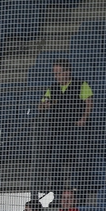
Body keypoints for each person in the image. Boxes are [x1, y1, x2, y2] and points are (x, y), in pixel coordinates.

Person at [37, 58, 93, 191]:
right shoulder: (52, 88)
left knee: (79, 161)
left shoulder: (81, 84)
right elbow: (40, 106)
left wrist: (83, 118)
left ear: (68, 72)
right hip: (58, 131)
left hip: (76, 130)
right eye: (55, 74)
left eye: (59, 73)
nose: (56, 76)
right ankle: (57, 194)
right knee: (55, 161)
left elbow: (89, 102)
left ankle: (79, 193)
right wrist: (45, 105)